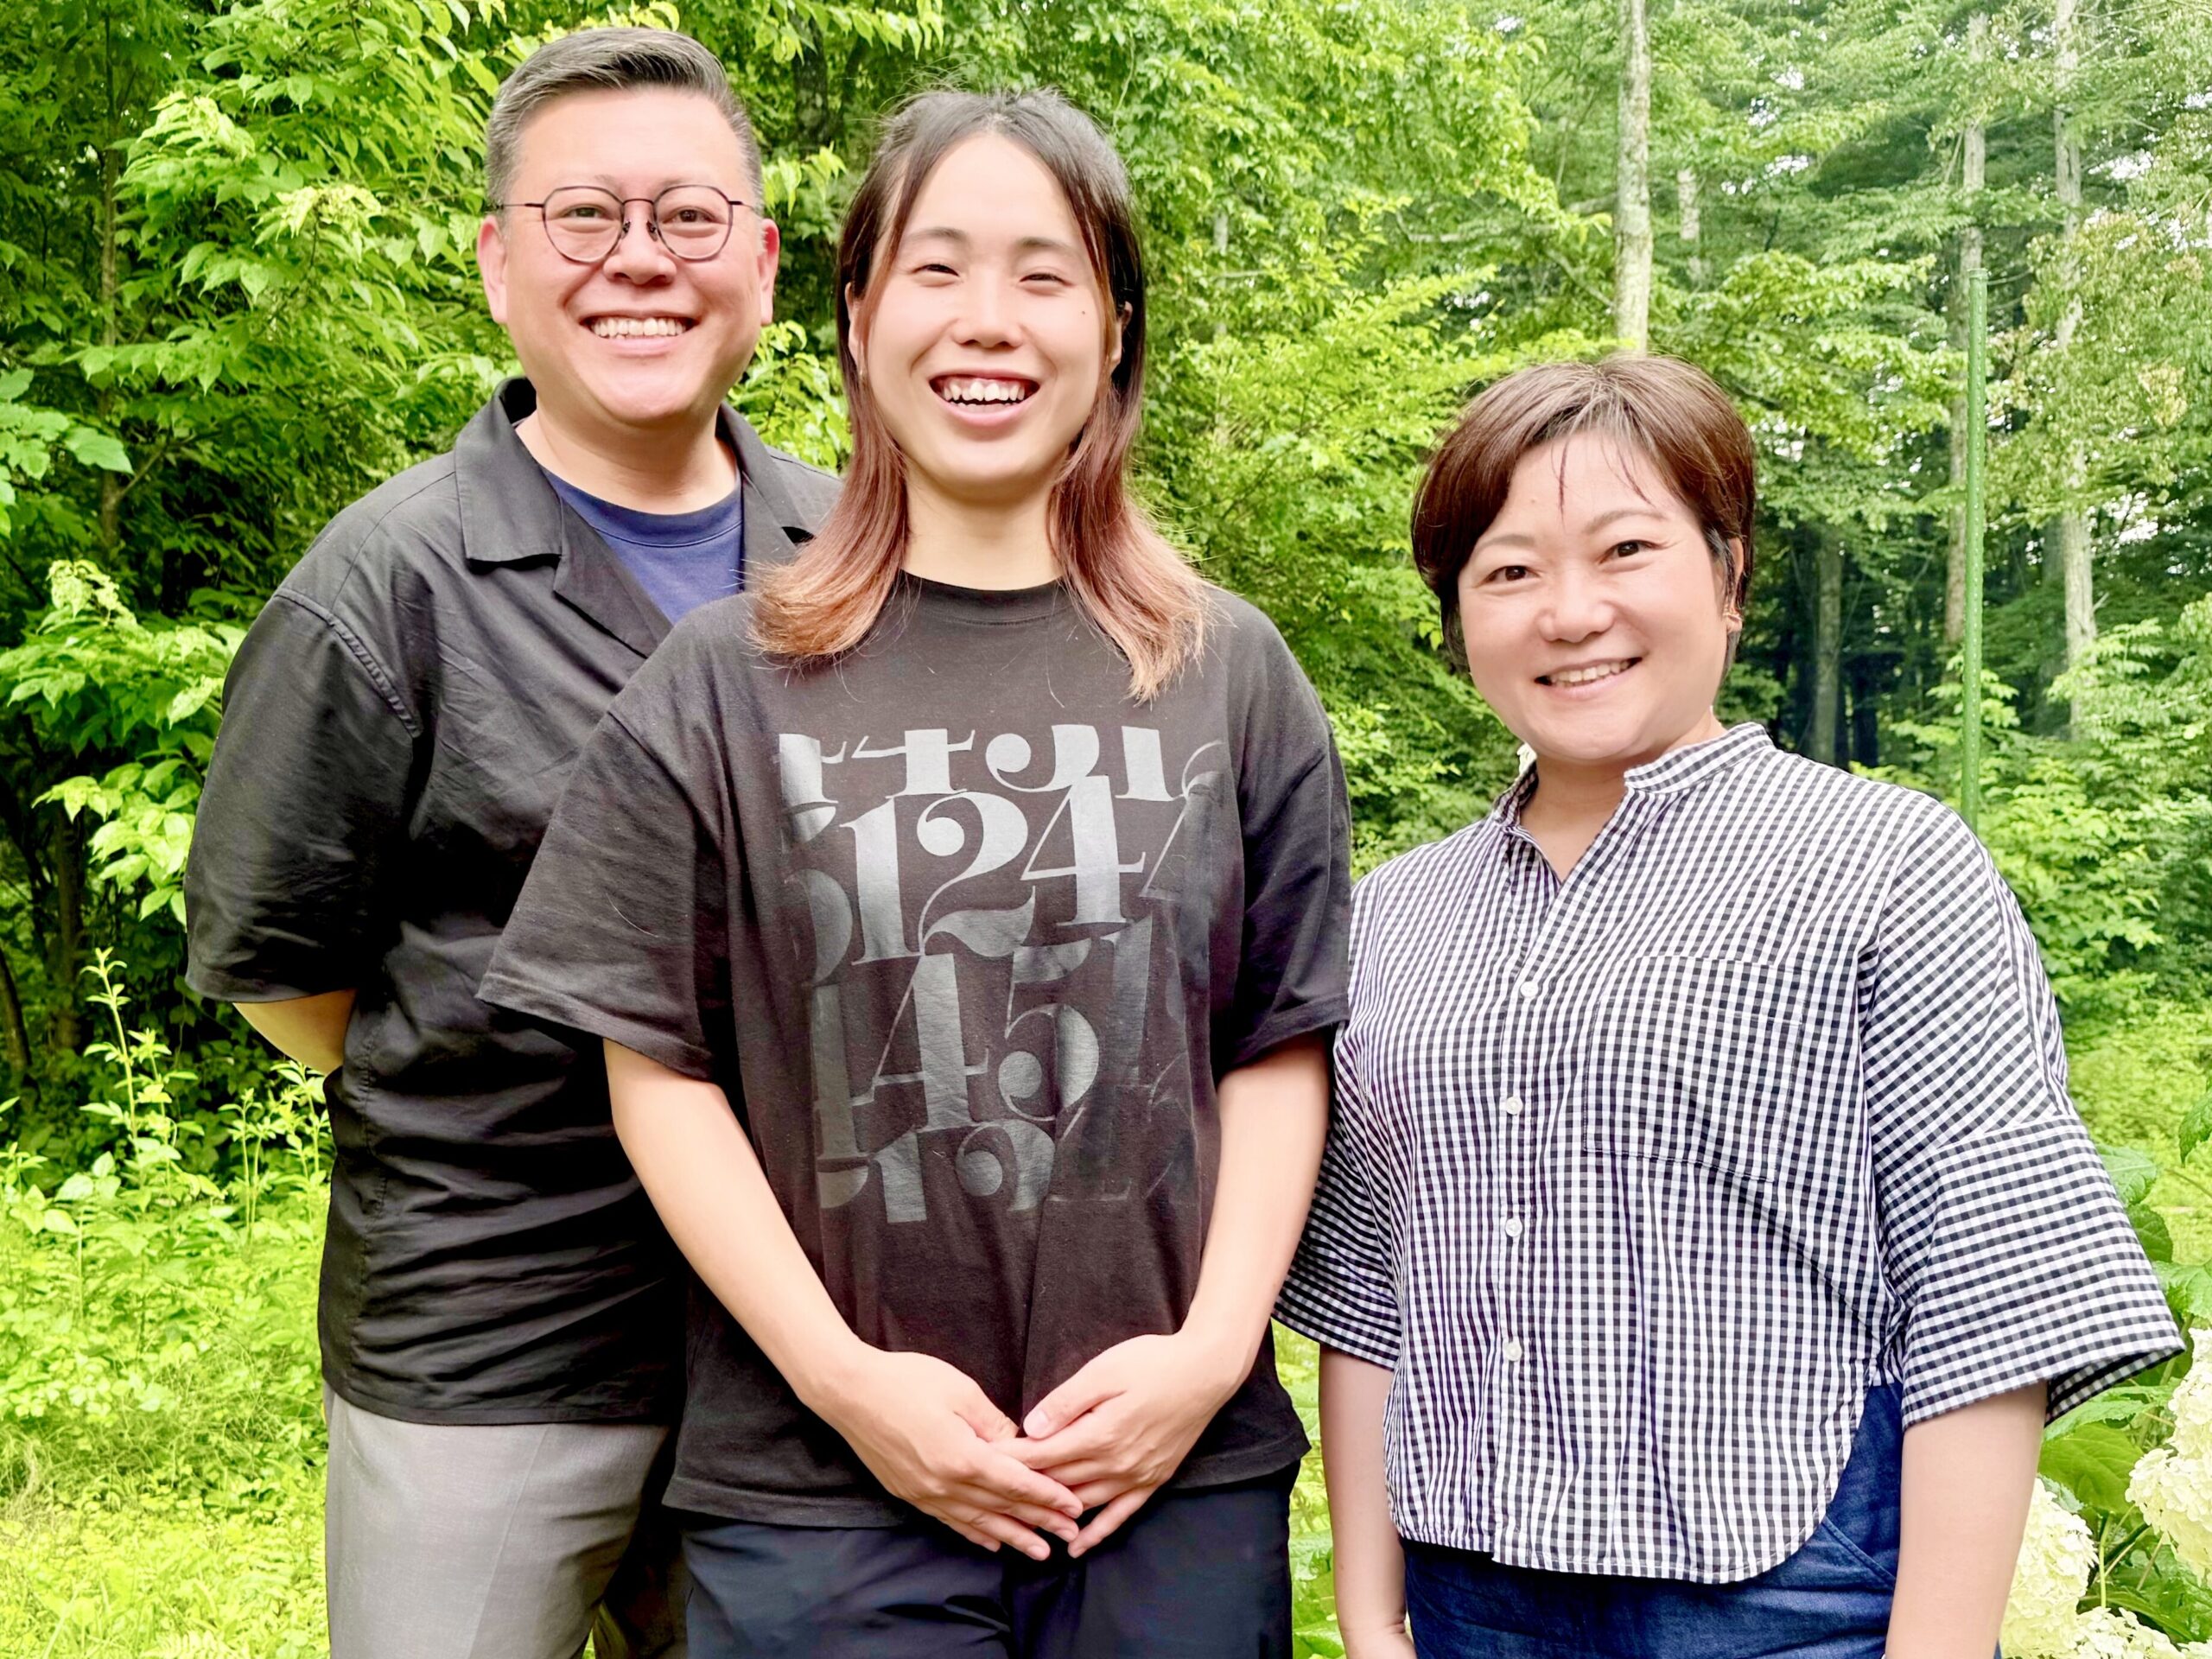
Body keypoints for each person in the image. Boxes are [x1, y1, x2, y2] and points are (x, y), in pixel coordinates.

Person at [478, 87, 1351, 1659]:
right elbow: (655, 1068)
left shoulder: (1229, 671)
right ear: (860, 316)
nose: (988, 320)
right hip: (820, 1494)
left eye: (1044, 273)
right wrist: (842, 1382)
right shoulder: (720, 680)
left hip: (1165, 1480)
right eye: (937, 269)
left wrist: (1214, 1353)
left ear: (1114, 327)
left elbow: (1277, 1041)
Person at [1275, 353, 2182, 1659]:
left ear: (1729, 573)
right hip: (1470, 1598)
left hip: (1795, 1592)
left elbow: (1988, 1291)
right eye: (1510, 570)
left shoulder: (1886, 864)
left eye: (1626, 550)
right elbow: (1373, 1292)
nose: (1570, 612)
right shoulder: (1400, 912)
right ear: (1461, 613)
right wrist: (1372, 1616)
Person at [183, 28, 836, 1659]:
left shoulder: (858, 552)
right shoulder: (383, 584)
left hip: (806, 1347)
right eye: (584, 216)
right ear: (496, 261)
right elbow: (283, 971)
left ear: (762, 262)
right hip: (495, 1341)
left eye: (689, 218)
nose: (641, 260)